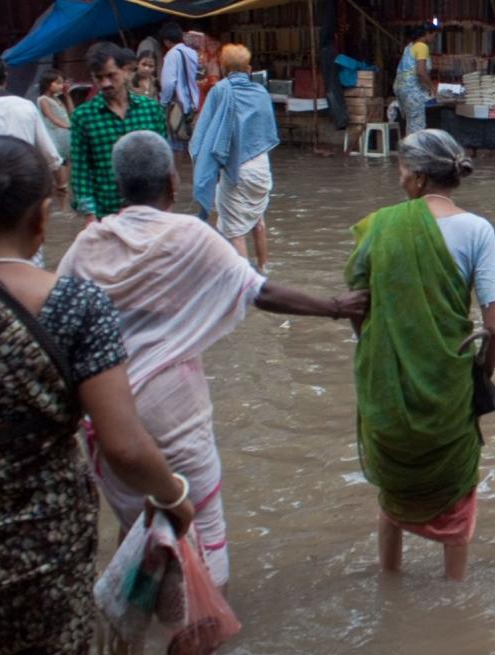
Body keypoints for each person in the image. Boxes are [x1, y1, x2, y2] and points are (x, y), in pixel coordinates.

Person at [0, 136, 192, 655]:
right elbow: (124, 448)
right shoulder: (77, 306)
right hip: (38, 548)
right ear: (42, 219)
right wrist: (173, 497)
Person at [58, 131, 366, 587]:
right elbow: (260, 291)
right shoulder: (189, 235)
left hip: (110, 410)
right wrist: (337, 307)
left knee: (137, 533)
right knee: (201, 533)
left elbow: (56, 318)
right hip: (174, 408)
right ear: (172, 182)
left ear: (120, 186)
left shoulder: (89, 243)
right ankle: (200, 631)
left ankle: (137, 635)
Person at [346, 130, 495, 581]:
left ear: (416, 178)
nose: (398, 179)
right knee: (456, 503)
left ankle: (389, 585)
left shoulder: (380, 225)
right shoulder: (477, 230)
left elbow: (358, 307)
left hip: (390, 386)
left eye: (400, 169)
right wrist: (480, 379)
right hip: (448, 387)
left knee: (392, 498)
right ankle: (455, 608)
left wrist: (382, 353)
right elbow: (493, 328)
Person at [192, 44, 280, 270]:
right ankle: (264, 269)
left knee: (234, 232)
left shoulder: (220, 90)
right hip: (262, 168)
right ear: (249, 68)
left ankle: (244, 286)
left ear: (223, 69)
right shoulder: (260, 92)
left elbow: (204, 132)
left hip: (236, 170)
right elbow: (267, 131)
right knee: (258, 222)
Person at [69, 42, 168, 225]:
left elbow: (164, 162)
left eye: (111, 75)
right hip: (107, 214)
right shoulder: (82, 117)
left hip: (150, 211)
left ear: (126, 71)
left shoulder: (151, 110)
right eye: (98, 78)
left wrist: (166, 207)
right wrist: (90, 217)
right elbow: (81, 171)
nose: (105, 83)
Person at [0, 53, 67, 205]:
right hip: (25, 181)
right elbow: (49, 153)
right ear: (6, 76)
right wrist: (61, 185)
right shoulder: (26, 106)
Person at [157, 22, 200, 150]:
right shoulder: (192, 52)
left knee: (177, 146)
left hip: (179, 107)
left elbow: (168, 83)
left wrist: (163, 102)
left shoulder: (171, 55)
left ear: (167, 41)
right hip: (194, 104)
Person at [394, 21, 442, 135]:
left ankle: (409, 149)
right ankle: (415, 150)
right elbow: (421, 72)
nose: (434, 39)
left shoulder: (409, 47)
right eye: (434, 35)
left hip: (401, 89)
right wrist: (432, 87)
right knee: (417, 126)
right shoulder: (422, 47)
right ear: (427, 33)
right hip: (412, 90)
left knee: (411, 123)